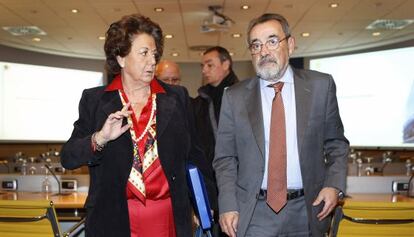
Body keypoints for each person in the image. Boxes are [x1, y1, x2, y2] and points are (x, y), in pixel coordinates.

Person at [61, 14, 215, 237]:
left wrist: (205, 203)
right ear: (121, 58)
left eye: (154, 54)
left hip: (169, 217)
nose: (152, 61)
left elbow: (196, 155)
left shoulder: (177, 97)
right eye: (144, 53)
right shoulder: (95, 101)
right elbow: (69, 157)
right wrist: (100, 138)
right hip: (114, 220)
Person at [213, 13, 349, 237]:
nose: (264, 51)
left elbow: (337, 144)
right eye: (256, 45)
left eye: (272, 41)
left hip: (308, 210)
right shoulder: (234, 97)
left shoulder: (320, 87)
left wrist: (333, 185)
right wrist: (227, 204)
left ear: (291, 44)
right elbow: (225, 158)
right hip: (254, 213)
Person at [192, 46, 238, 236]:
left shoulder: (243, 96)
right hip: (209, 182)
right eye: (203, 66)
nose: (204, 70)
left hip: (238, 182)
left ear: (226, 64)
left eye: (210, 65)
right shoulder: (200, 101)